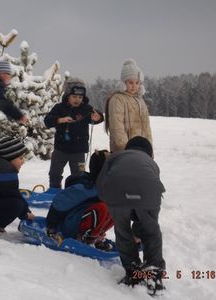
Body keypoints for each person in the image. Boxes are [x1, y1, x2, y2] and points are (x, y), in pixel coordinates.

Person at [96, 136, 166, 296]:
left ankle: (133, 272)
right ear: (150, 153)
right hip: (150, 193)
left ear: (128, 148)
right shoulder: (151, 163)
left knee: (123, 232)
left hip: (117, 191)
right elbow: (147, 188)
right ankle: (154, 273)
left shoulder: (115, 156)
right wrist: (140, 228)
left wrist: (111, 201)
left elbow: (100, 185)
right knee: (151, 230)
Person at [45, 150, 115, 250]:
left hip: (84, 224)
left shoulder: (107, 189)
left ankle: (96, 237)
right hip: (71, 225)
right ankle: (87, 239)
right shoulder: (88, 188)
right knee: (102, 208)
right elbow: (60, 201)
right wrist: (51, 226)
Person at [44, 77, 104, 188]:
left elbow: (99, 116)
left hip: (79, 151)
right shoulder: (59, 108)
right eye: (74, 96)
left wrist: (98, 117)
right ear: (67, 96)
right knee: (54, 173)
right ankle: (54, 191)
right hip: (60, 149)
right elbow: (47, 121)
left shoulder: (86, 108)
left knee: (79, 176)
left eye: (80, 97)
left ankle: (75, 193)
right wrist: (59, 120)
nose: (77, 99)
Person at [105, 59, 153, 153]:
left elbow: (147, 129)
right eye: (130, 82)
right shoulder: (118, 99)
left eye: (137, 83)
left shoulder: (140, 101)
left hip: (142, 152)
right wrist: (127, 150)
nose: (134, 86)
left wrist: (149, 150)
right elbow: (117, 128)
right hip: (124, 152)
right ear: (123, 83)